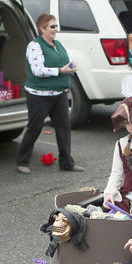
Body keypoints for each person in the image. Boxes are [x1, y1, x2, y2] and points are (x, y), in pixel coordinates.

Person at [16, 13, 83, 174]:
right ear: (42, 28)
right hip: (39, 95)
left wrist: (70, 68)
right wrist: (61, 70)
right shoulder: (34, 46)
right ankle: (22, 161)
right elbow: (37, 70)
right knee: (35, 127)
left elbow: (63, 63)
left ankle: (67, 162)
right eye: (52, 26)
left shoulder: (57, 44)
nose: (55, 29)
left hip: (59, 93)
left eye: (56, 26)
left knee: (63, 128)